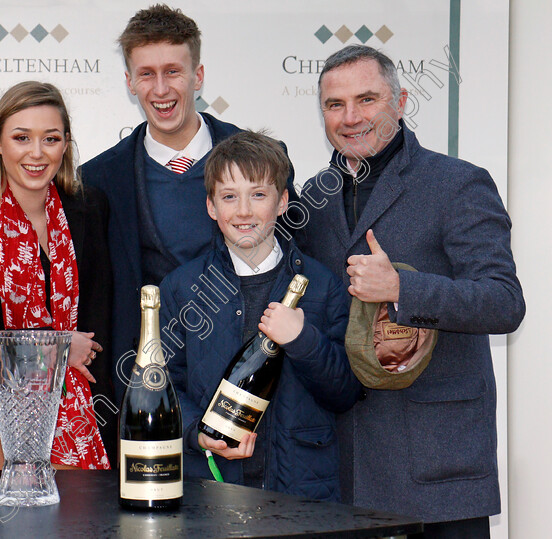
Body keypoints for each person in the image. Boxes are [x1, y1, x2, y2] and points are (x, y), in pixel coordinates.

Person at [297, 44, 525, 536]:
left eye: (367, 100)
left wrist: (403, 287)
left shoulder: (458, 183)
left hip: (438, 468)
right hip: (347, 468)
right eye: (335, 105)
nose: (350, 117)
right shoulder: (312, 201)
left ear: (400, 102)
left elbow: (504, 302)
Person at [80, 4, 296, 400]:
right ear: (129, 81)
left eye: (172, 72)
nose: (160, 90)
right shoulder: (97, 180)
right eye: (147, 74)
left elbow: (296, 263)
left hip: (255, 376)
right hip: (149, 387)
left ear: (198, 76)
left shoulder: (266, 158)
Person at [159, 131, 361, 500]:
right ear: (211, 206)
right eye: (229, 197)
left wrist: (304, 341)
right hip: (211, 488)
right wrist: (195, 432)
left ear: (283, 202)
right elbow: (165, 381)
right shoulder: (182, 288)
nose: (244, 211)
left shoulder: (322, 285)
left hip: (301, 492)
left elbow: (345, 392)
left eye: (259, 195)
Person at [0, 81, 114, 469]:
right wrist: (56, 351)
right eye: (22, 137)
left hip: (89, 423)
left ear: (66, 144)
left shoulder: (89, 209)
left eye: (50, 138)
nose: (37, 153)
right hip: (2, 434)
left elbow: (101, 323)